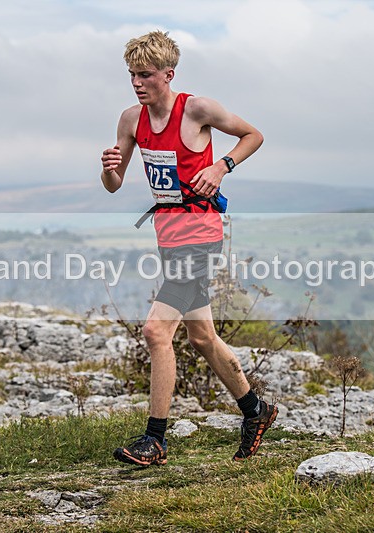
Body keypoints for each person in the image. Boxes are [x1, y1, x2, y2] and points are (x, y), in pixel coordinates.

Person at [99, 30, 275, 465]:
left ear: (168, 74)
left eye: (145, 75)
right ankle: (256, 411)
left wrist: (222, 164)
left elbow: (253, 135)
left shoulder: (196, 109)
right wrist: (108, 170)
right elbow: (113, 185)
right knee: (202, 336)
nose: (137, 84)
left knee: (157, 331)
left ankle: (155, 440)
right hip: (168, 238)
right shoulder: (130, 120)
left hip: (202, 235)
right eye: (131, 75)